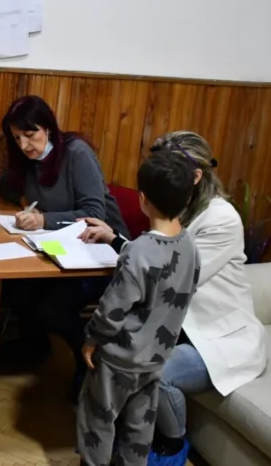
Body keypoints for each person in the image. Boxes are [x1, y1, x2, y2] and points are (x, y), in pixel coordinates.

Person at [81, 131, 267, 465]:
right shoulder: (180, 210)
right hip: (176, 325)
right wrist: (115, 239)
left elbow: (172, 279)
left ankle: (173, 441)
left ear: (196, 176)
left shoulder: (221, 219)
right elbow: (155, 261)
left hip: (216, 339)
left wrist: (127, 254)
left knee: (152, 371)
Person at [0, 95, 129, 396]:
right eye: (17, 138)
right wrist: (23, 205)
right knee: (16, 286)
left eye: (30, 135)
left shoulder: (76, 153)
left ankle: (88, 359)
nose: (24, 145)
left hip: (101, 253)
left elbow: (95, 214)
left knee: (52, 306)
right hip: (60, 250)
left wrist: (44, 220)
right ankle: (35, 346)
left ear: (49, 128)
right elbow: (6, 183)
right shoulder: (28, 159)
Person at [76, 150, 200, 466]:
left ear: (142, 199)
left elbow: (112, 310)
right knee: (140, 427)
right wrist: (117, 240)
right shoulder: (189, 246)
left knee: (97, 422)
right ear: (187, 200)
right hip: (156, 358)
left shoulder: (140, 253)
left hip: (119, 360)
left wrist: (91, 339)